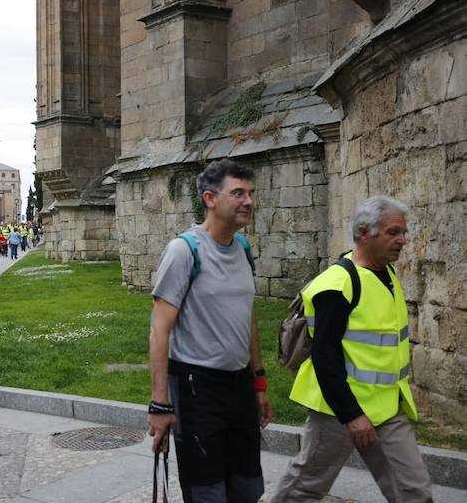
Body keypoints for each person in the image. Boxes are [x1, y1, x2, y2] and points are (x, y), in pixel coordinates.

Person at [271, 196, 431, 502]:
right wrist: (352, 415)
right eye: (393, 232)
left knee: (413, 490)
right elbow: (324, 355)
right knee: (305, 487)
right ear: (363, 233)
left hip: (386, 407)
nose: (403, 240)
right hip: (337, 410)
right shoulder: (337, 283)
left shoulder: (387, 273)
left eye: (404, 233)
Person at [148, 159, 269, 503]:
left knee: (247, 488)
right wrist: (160, 405)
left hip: (240, 387)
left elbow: (248, 317)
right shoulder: (184, 250)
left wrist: (258, 381)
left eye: (250, 193)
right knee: (208, 493)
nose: (247, 201)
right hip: (196, 389)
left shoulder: (243, 248)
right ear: (210, 198)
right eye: (238, 193)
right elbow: (159, 332)